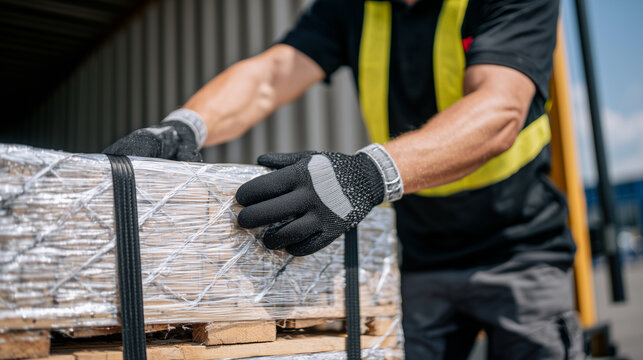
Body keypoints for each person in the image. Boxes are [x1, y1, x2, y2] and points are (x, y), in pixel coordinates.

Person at [104, 0, 584, 358]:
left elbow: (499, 111)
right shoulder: (353, 6)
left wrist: (366, 175)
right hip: (419, 259)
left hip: (521, 254)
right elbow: (273, 73)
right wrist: (186, 124)